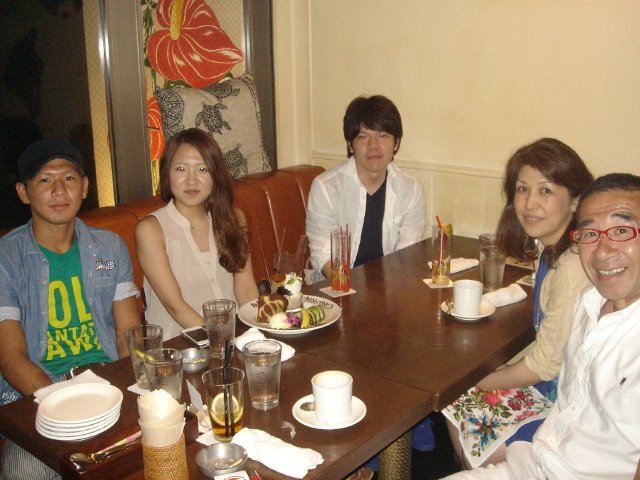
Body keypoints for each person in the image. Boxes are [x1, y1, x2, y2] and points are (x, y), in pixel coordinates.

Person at [442, 172, 640, 479]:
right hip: (534, 462)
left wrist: (481, 378)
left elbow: (544, 365)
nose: (603, 250)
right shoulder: (588, 301)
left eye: (622, 230)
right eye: (590, 233)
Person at [444, 138, 593, 468]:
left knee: (459, 395)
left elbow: (543, 366)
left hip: (564, 406)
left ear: (575, 200)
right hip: (555, 385)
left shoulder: (571, 266)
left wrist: (483, 379)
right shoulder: (551, 249)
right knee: (458, 393)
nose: (529, 203)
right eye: (523, 189)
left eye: (545, 190)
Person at [0, 139, 141, 478]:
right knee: (24, 474)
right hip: (40, 392)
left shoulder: (109, 248)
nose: (59, 190)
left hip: (107, 380)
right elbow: (11, 358)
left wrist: (127, 392)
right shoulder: (7, 258)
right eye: (45, 180)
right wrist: (65, 405)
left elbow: (128, 334)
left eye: (69, 178)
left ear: (85, 187)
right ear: (23, 192)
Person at [135, 128, 258, 340]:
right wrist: (222, 342)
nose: (191, 181)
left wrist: (258, 333)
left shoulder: (234, 219)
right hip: (179, 346)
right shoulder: (151, 230)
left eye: (202, 169)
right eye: (181, 169)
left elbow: (246, 290)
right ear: (167, 174)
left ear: (215, 174)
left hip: (235, 338)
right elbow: (175, 307)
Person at [306, 95, 426, 283]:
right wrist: (350, 290)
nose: (373, 146)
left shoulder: (410, 190)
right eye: (362, 137)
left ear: (396, 143)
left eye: (382, 135)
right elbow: (323, 254)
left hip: (391, 288)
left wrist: (386, 294)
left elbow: (407, 254)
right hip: (337, 288)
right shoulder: (326, 188)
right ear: (350, 145)